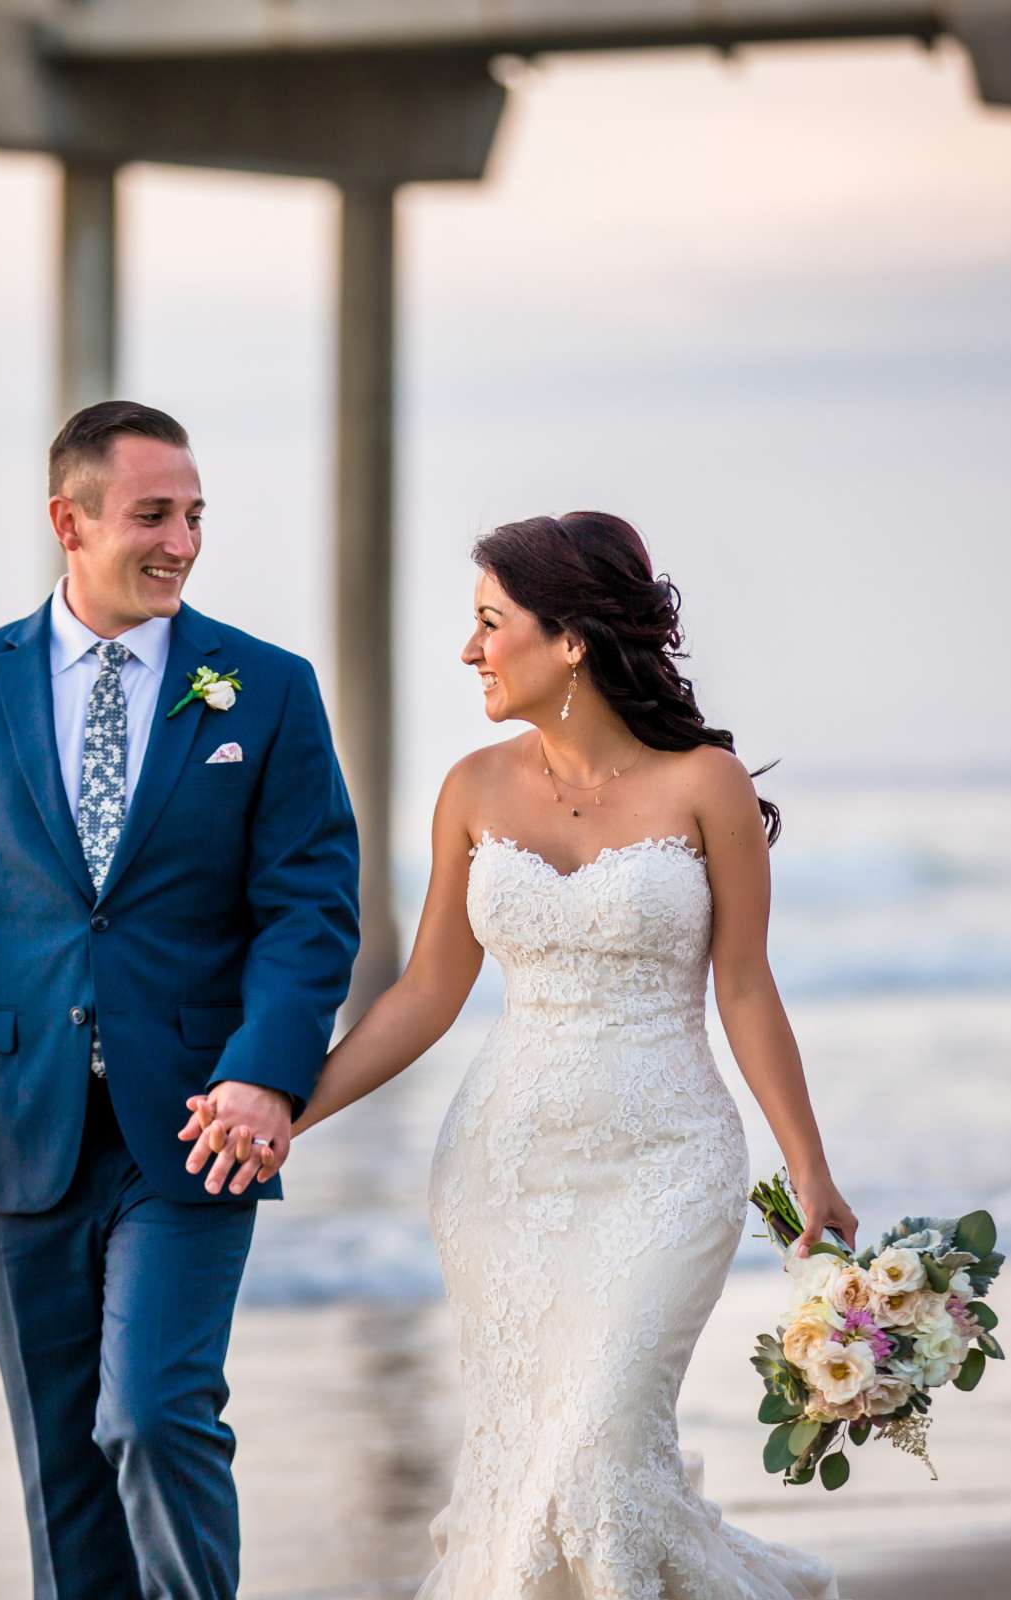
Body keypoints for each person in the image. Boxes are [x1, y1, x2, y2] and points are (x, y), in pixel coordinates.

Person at [185, 510, 849, 1598]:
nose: (469, 649)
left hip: (670, 1168)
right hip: (503, 1174)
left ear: (571, 638)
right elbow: (428, 993)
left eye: (492, 622)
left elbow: (744, 987)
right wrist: (283, 1109)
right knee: (532, 1468)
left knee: (595, 1454)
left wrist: (808, 1169)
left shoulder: (703, 787)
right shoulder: (472, 788)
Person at [0, 400, 362, 1599]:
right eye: (153, 514)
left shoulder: (264, 689)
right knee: (62, 1474)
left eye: (196, 515)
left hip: (203, 1125)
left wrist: (269, 1070)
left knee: (154, 1415)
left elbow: (311, 907)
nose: (183, 541)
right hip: (16, 1121)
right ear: (70, 520)